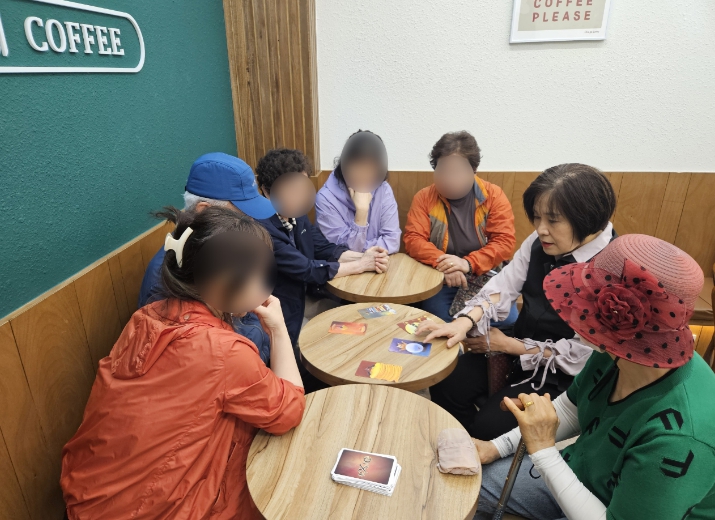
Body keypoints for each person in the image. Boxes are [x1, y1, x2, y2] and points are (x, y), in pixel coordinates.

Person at [61, 207, 305, 520]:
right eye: (260, 273)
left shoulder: (145, 317)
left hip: (88, 495)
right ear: (224, 282)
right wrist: (279, 329)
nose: (266, 283)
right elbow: (289, 410)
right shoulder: (223, 351)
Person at [473, 235, 715, 520]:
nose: (573, 310)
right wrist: (494, 448)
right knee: (469, 487)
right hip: (581, 474)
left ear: (618, 319)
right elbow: (572, 407)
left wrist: (544, 451)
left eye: (585, 302)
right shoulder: (618, 349)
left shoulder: (680, 440)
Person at [420, 164, 617, 439]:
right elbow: (504, 285)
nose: (541, 229)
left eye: (553, 220)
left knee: (488, 427)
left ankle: (482, 451)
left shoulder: (611, 268)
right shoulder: (540, 241)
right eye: (537, 217)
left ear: (588, 219)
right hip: (520, 345)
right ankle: (460, 445)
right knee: (447, 379)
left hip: (561, 374)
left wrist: (508, 345)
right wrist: (463, 323)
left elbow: (583, 355)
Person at [255, 148, 388, 388]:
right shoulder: (262, 229)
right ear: (266, 191)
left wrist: (365, 256)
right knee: (333, 345)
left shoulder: (296, 215)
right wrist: (360, 265)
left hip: (306, 299)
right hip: (281, 315)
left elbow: (325, 248)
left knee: (359, 323)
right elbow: (307, 269)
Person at [138, 152, 276, 364]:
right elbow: (213, 361)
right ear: (204, 211)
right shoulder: (170, 280)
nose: (250, 221)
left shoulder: (223, 252)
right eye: (242, 214)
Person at [404, 131, 517, 324]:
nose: (449, 179)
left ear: (474, 170)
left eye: (457, 171)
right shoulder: (424, 198)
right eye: (442, 171)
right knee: (438, 317)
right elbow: (413, 240)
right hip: (442, 277)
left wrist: (468, 263)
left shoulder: (493, 196)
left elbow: (504, 242)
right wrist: (448, 265)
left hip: (485, 276)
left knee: (507, 319)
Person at [315, 130, 401, 253]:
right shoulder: (325, 199)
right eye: (358, 167)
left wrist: (367, 251)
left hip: (380, 262)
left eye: (371, 168)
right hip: (342, 265)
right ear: (344, 165)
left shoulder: (383, 189)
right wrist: (362, 212)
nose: (364, 175)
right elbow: (342, 252)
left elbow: (392, 242)